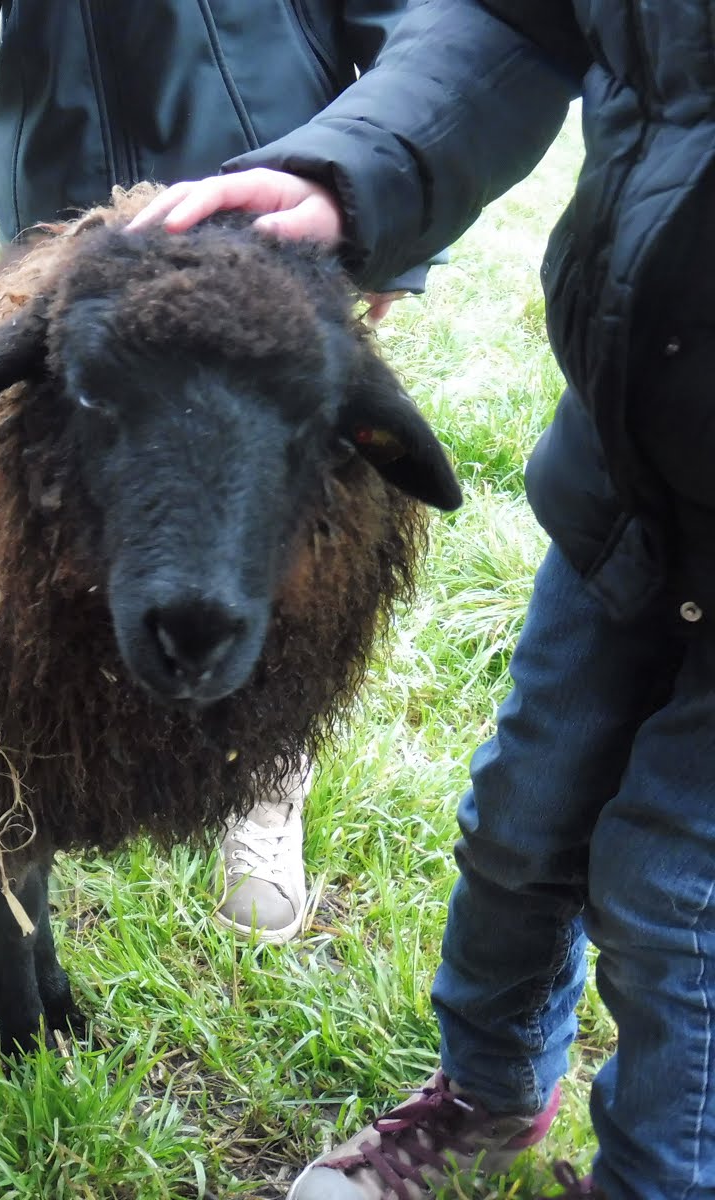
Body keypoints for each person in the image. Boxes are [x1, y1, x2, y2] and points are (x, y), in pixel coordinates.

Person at [129, 0, 715, 1196]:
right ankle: (488, 1098)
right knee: (519, 820)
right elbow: (522, 17)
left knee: (677, 898)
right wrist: (355, 170)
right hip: (628, 469)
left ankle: (659, 1175)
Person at [0, 0, 428, 945]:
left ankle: (263, 774)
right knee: (68, 522)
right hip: (68, 202)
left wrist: (392, 195)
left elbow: (409, 19)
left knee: (291, 517)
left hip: (277, 184)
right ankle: (50, 764)